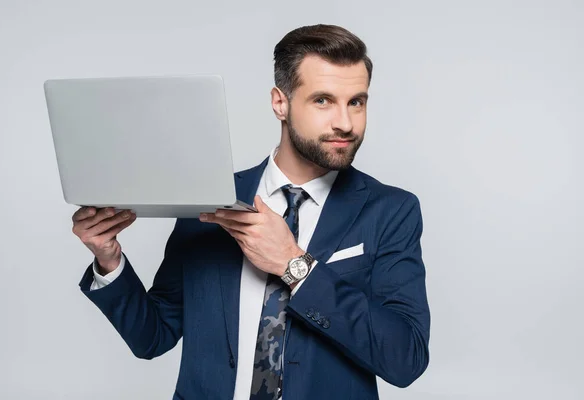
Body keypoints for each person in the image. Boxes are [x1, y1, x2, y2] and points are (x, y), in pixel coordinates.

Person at [72, 24, 430, 400]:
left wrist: (295, 266)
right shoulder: (208, 201)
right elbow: (153, 337)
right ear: (280, 103)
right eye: (323, 100)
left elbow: (405, 359)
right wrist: (109, 261)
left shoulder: (390, 210)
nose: (345, 122)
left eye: (356, 101)